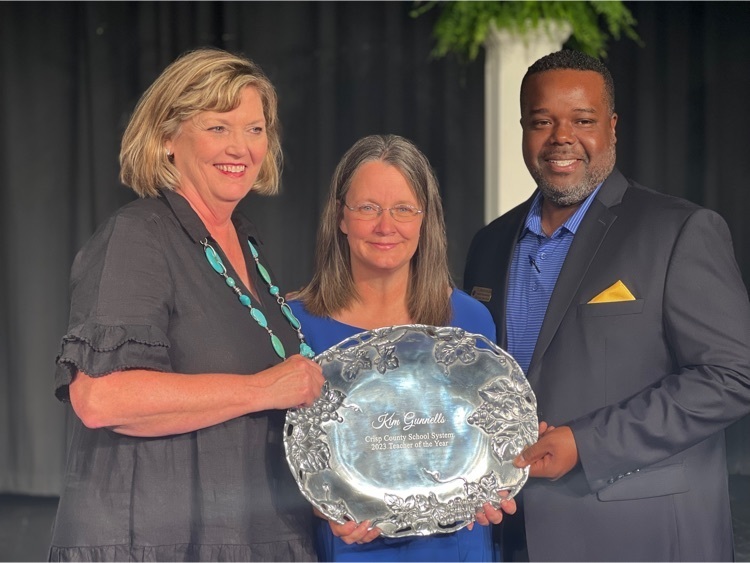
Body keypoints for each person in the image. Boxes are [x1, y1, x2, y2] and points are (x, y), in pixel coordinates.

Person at [463, 48, 750, 561]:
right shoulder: (489, 245)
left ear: (612, 128)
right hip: (513, 536)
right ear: (523, 129)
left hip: (642, 537)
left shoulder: (678, 230)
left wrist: (588, 443)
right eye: (542, 121)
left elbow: (734, 376)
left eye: (583, 120)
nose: (561, 138)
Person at [49, 48, 325, 561]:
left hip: (251, 536)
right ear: (167, 139)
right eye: (218, 127)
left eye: (255, 129)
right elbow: (102, 398)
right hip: (161, 544)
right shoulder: (138, 236)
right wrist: (264, 388)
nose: (240, 147)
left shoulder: (243, 243)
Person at [289, 134, 516, 562]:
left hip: (457, 550)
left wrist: (498, 479)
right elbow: (272, 459)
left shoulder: (469, 322)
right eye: (368, 208)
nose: (385, 226)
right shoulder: (294, 325)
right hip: (347, 550)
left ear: (424, 219)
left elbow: (492, 441)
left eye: (403, 209)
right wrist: (316, 503)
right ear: (341, 217)